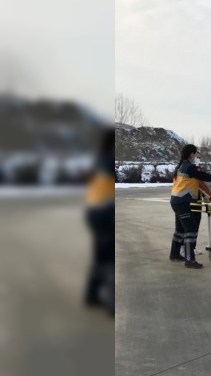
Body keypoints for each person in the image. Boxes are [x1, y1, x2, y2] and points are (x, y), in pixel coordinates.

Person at [170, 144, 211, 269]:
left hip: (176, 201)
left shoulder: (180, 166)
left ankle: (174, 254)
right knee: (190, 231)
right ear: (192, 154)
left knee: (180, 230)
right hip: (185, 203)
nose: (198, 155)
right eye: (197, 153)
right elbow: (208, 177)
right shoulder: (190, 167)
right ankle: (189, 260)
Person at [85, 128, 116, 315]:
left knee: (100, 256)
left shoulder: (98, 160)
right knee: (108, 258)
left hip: (93, 211)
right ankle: (112, 303)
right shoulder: (108, 161)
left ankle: (91, 294)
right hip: (103, 214)